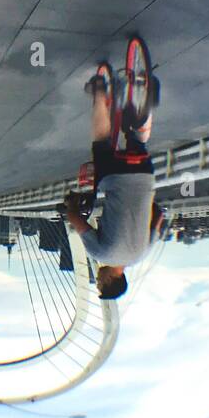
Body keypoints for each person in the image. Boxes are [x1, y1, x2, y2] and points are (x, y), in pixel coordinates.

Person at [62, 41, 156, 300]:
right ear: (112, 280)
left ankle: (145, 115)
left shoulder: (142, 253)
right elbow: (78, 222)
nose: (97, 280)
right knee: (101, 145)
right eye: (100, 285)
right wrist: (69, 207)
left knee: (138, 143)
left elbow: (159, 218)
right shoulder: (101, 254)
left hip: (146, 178)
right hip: (114, 178)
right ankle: (100, 92)